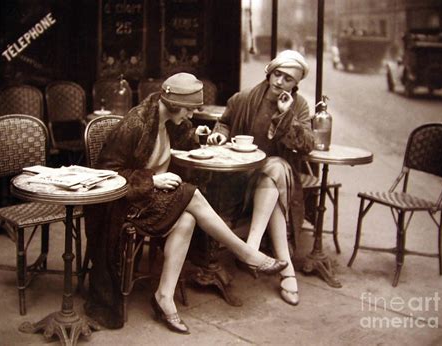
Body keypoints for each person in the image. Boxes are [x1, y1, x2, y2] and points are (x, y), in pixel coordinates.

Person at [83, 72, 288, 334]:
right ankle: (246, 253)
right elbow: (107, 174)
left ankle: (164, 297)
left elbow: (180, 142)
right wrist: (153, 181)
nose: (191, 116)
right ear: (172, 103)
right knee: (190, 194)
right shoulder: (135, 123)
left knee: (189, 216)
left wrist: (198, 135)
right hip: (124, 203)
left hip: (149, 199)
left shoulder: (169, 119)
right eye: (189, 110)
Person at [207, 50, 315, 306]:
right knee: (273, 183)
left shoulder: (298, 105)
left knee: (275, 168)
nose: (280, 82)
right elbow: (224, 122)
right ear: (269, 72)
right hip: (241, 177)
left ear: (295, 84)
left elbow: (307, 145)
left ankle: (251, 247)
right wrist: (219, 135)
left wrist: (287, 115)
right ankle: (286, 270)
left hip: (277, 177)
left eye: (288, 79)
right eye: (277, 74)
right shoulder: (244, 98)